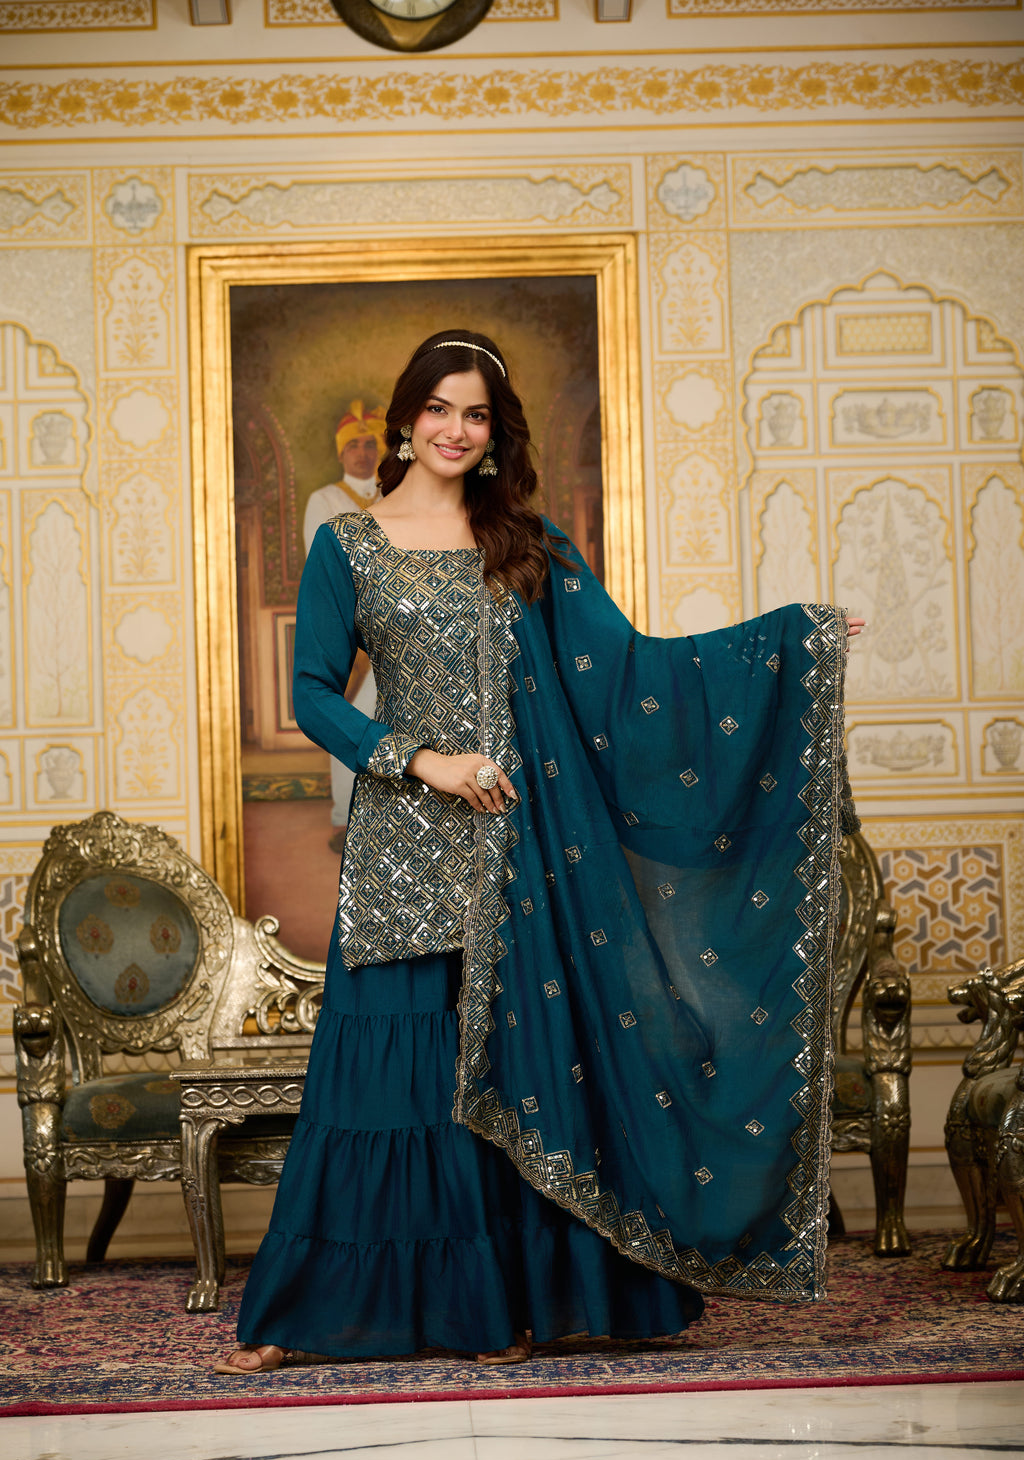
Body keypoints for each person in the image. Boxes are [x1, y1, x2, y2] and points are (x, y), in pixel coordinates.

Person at [216, 329, 865, 1374]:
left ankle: (517, 1303)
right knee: (383, 1085)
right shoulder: (348, 545)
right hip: (403, 849)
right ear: (404, 417)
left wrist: (793, 641)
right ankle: (306, 1313)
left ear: (494, 430)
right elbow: (309, 695)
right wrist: (418, 759)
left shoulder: (528, 543)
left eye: (475, 414)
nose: (454, 430)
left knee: (525, 1068)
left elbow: (636, 675)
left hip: (524, 852)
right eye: (437, 409)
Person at [302, 400, 387, 852]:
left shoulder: (395, 495)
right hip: (350, 628)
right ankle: (344, 816)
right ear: (340, 453)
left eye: (369, 443)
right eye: (353, 445)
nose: (361, 452)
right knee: (348, 719)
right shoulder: (325, 500)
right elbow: (325, 569)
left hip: (396, 625)